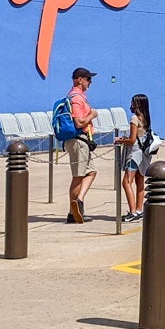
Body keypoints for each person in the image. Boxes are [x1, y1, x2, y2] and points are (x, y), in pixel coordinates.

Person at [64, 67, 99, 223]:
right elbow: (79, 122)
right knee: (78, 176)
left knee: (90, 172)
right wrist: (92, 113)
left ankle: (78, 201)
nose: (90, 82)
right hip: (79, 140)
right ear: (80, 79)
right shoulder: (76, 98)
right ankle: (73, 212)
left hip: (84, 140)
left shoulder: (79, 97)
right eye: (88, 79)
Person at [121, 93, 154, 222]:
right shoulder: (146, 118)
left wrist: (121, 140)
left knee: (126, 182)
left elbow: (132, 139)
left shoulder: (134, 119)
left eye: (133, 102)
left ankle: (133, 211)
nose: (132, 104)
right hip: (144, 154)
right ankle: (140, 210)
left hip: (134, 153)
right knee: (139, 182)